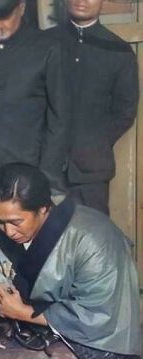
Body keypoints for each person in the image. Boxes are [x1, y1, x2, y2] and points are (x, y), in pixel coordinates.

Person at [0, 163, 139, 359]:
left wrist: (23, 312)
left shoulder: (94, 238)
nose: (7, 231)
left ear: (44, 209)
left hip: (99, 350)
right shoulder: (9, 234)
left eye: (16, 222)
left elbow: (97, 316)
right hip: (44, 331)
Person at [0, 0, 69, 196]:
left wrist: (47, 175)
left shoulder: (47, 48)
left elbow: (59, 120)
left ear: (21, 8)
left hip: (26, 167)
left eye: (4, 17)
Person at [47, 0, 138, 215]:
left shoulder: (119, 51)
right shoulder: (44, 43)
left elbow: (125, 112)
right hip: (45, 166)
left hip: (91, 170)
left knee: (93, 235)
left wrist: (92, 142)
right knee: (46, 240)